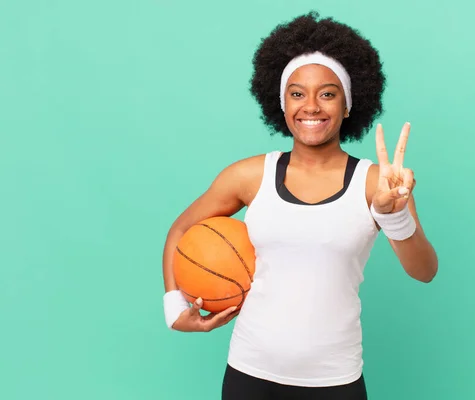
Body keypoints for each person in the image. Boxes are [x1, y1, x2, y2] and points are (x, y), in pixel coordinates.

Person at [161, 11, 438, 400]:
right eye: (297, 93)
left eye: (327, 93)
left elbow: (424, 271)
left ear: (347, 105)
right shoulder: (249, 176)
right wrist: (174, 307)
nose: (311, 106)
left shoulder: (379, 183)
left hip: (335, 379)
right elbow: (180, 230)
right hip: (249, 373)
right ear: (281, 103)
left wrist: (394, 216)